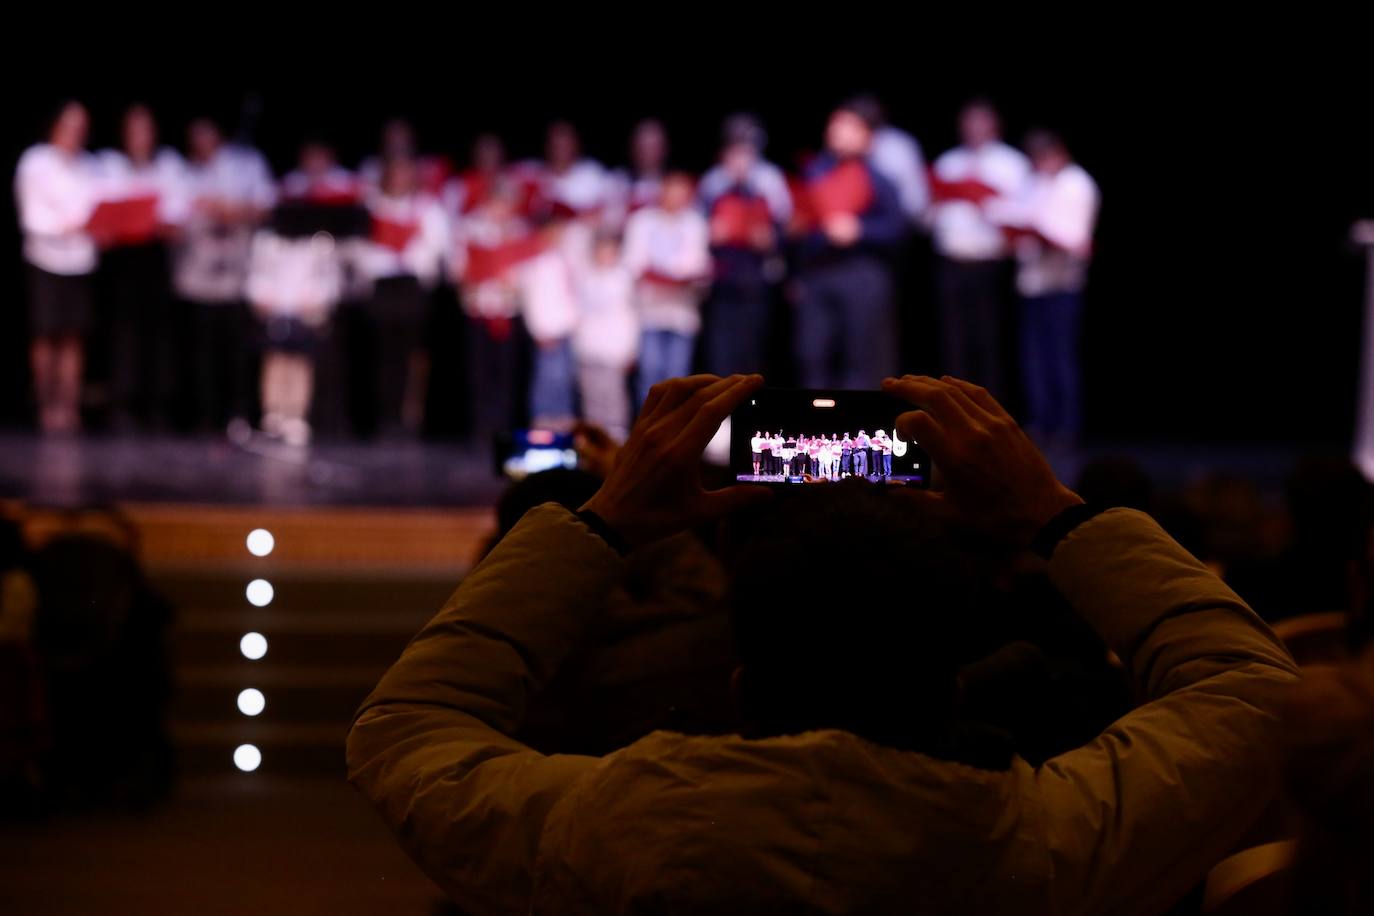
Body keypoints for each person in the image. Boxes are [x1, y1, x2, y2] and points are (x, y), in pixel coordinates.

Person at [349, 372, 1299, 915]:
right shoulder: (1048, 846)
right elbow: (1254, 692)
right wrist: (1053, 517)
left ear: (740, 682)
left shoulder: (606, 833)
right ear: (953, 687)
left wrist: (602, 525)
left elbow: (406, 728)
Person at [989, 129, 1100, 445]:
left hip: (1062, 284)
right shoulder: (1034, 182)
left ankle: (1067, 425)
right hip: (1033, 283)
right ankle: (1041, 421)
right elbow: (1020, 214)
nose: (1040, 164)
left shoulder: (1077, 184)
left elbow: (1073, 237)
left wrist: (1040, 232)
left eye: (1045, 157)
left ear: (1060, 154)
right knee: (1034, 357)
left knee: (1060, 356)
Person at [793, 99, 907, 389]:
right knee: (812, 353)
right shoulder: (814, 173)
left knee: (861, 356)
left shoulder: (877, 179)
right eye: (835, 124)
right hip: (818, 273)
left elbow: (897, 228)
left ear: (868, 136)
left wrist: (860, 229)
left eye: (849, 126)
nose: (838, 131)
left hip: (862, 273)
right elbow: (799, 225)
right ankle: (813, 429)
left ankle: (857, 430)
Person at [174, 116, 276, 435]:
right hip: (197, 274)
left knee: (237, 349)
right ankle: (204, 416)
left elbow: (266, 205)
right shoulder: (184, 170)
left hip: (237, 274)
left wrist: (232, 210)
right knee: (201, 351)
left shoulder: (245, 164)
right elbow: (172, 214)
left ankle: (239, 415)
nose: (201, 140)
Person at [92, 104, 187, 431]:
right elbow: (102, 207)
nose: (139, 137)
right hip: (122, 257)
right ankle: (122, 404)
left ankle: (158, 404)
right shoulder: (109, 163)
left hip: (155, 254)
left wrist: (151, 217)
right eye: (133, 130)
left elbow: (176, 212)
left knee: (158, 331)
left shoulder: (168, 163)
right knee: (123, 329)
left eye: (145, 129)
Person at [928, 99, 1030, 399]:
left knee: (989, 338)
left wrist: (988, 201)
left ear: (994, 126)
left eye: (980, 121)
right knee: (952, 338)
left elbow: (1024, 211)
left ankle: (988, 408)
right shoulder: (949, 162)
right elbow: (930, 212)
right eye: (968, 122)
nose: (973, 128)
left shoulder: (1012, 163)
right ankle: (953, 404)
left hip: (989, 262)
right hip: (951, 259)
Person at [15, 101, 97, 434]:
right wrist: (66, 226)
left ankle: (69, 406)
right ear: (55, 127)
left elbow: (97, 208)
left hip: (80, 261)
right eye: (70, 126)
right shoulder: (36, 161)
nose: (75, 134)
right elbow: (31, 214)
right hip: (45, 259)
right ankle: (46, 406)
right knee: (46, 334)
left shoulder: (89, 166)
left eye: (81, 128)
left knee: (73, 336)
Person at [358, 156, 451, 438]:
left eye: (405, 174)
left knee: (413, 355)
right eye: (394, 174)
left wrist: (412, 248)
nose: (400, 180)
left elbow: (440, 245)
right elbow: (358, 246)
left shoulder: (427, 207)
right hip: (382, 285)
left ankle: (410, 419)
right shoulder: (371, 205)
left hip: (412, 286)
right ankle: (385, 419)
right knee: (384, 355)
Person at [698, 114, 792, 376]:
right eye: (734, 150)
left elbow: (787, 227)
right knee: (721, 356)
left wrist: (772, 239)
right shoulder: (713, 182)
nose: (740, 158)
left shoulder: (770, 179)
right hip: (722, 280)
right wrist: (708, 234)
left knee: (753, 354)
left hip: (757, 279)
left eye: (746, 150)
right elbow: (695, 227)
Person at [624, 172, 711, 408]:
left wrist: (682, 276)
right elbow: (633, 263)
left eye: (683, 194)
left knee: (677, 376)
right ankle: (649, 431)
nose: (677, 199)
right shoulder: (642, 221)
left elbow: (698, 264)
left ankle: (673, 432)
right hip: (650, 311)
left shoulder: (695, 223)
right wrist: (661, 275)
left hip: (682, 313)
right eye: (672, 192)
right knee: (650, 374)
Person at [572, 233, 638, 439]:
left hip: (614, 350)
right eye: (601, 250)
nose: (605, 255)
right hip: (589, 347)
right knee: (591, 397)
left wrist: (629, 349)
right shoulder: (584, 278)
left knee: (614, 397)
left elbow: (631, 316)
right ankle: (595, 440)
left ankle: (616, 439)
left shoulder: (624, 279)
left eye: (610, 251)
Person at [604, 119, 669, 230]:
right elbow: (608, 221)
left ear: (664, 149)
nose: (647, 152)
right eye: (642, 146)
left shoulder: (673, 183)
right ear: (633, 147)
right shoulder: (618, 180)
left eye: (653, 147)